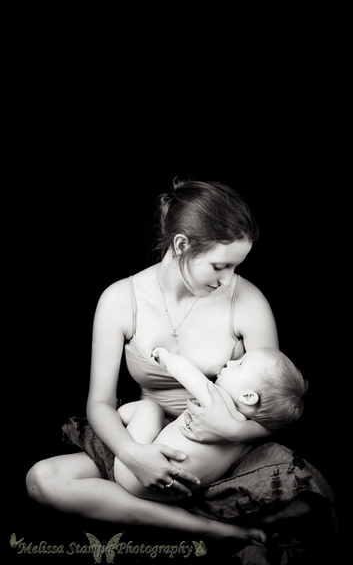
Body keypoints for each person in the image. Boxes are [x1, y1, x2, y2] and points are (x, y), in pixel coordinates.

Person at [26, 178, 307, 541]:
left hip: (221, 455)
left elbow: (273, 403)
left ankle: (185, 505)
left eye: (236, 267)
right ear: (181, 245)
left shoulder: (248, 302)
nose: (228, 280)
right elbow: (99, 402)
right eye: (221, 266)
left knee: (304, 498)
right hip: (147, 438)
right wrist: (135, 455)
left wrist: (230, 429)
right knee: (42, 480)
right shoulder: (120, 300)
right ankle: (207, 527)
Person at [114, 345, 308, 499]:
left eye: (240, 364)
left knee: (149, 408)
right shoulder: (248, 442)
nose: (230, 362)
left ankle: (117, 415)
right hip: (168, 496)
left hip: (134, 474)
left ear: (248, 396)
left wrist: (164, 356)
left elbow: (184, 370)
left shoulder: (220, 402)